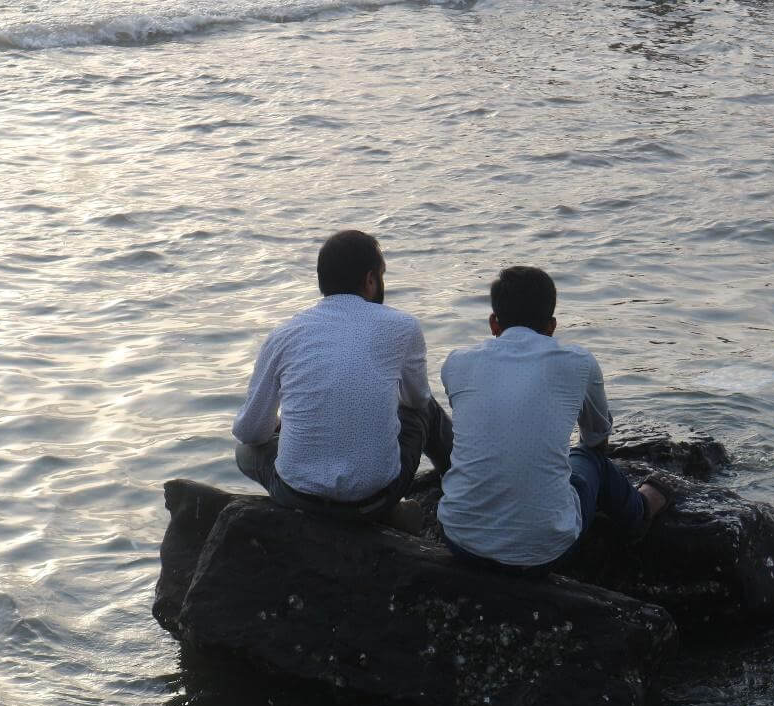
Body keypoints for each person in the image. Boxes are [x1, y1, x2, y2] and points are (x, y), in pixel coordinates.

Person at [437, 265, 669, 575]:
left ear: (494, 323)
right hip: (544, 553)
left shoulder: (456, 362)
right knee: (589, 460)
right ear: (551, 326)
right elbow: (597, 438)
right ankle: (639, 513)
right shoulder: (579, 362)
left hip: (460, 541)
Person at [232, 230, 451, 526]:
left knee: (245, 451)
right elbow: (417, 400)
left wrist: (279, 426)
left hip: (298, 497)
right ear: (371, 279)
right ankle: (455, 481)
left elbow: (250, 432)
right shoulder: (403, 327)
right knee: (427, 411)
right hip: (376, 499)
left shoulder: (283, 335)